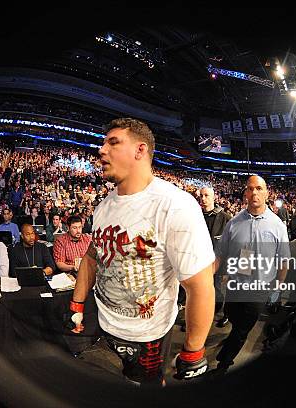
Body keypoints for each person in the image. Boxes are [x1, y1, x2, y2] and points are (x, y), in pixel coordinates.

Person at [65, 118, 215, 386]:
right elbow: (92, 255)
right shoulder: (103, 207)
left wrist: (193, 351)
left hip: (148, 336)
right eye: (103, 143)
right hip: (106, 324)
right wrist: (77, 302)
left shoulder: (176, 205)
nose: (101, 149)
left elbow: (200, 284)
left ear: (140, 150)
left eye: (113, 142)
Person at [212, 175, 290, 375]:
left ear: (266, 193)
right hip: (236, 285)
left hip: (259, 289)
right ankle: (230, 342)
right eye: (250, 189)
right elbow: (221, 254)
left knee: (242, 329)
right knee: (234, 319)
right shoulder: (234, 223)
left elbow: (283, 261)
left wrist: (277, 290)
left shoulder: (278, 226)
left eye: (259, 188)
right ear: (245, 193)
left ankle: (223, 363)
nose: (254, 193)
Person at [199, 186, 232, 328]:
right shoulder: (196, 215)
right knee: (202, 290)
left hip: (218, 263)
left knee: (218, 291)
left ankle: (222, 314)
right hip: (199, 262)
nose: (203, 198)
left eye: (206, 195)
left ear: (214, 198)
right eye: (201, 195)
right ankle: (204, 316)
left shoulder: (225, 218)